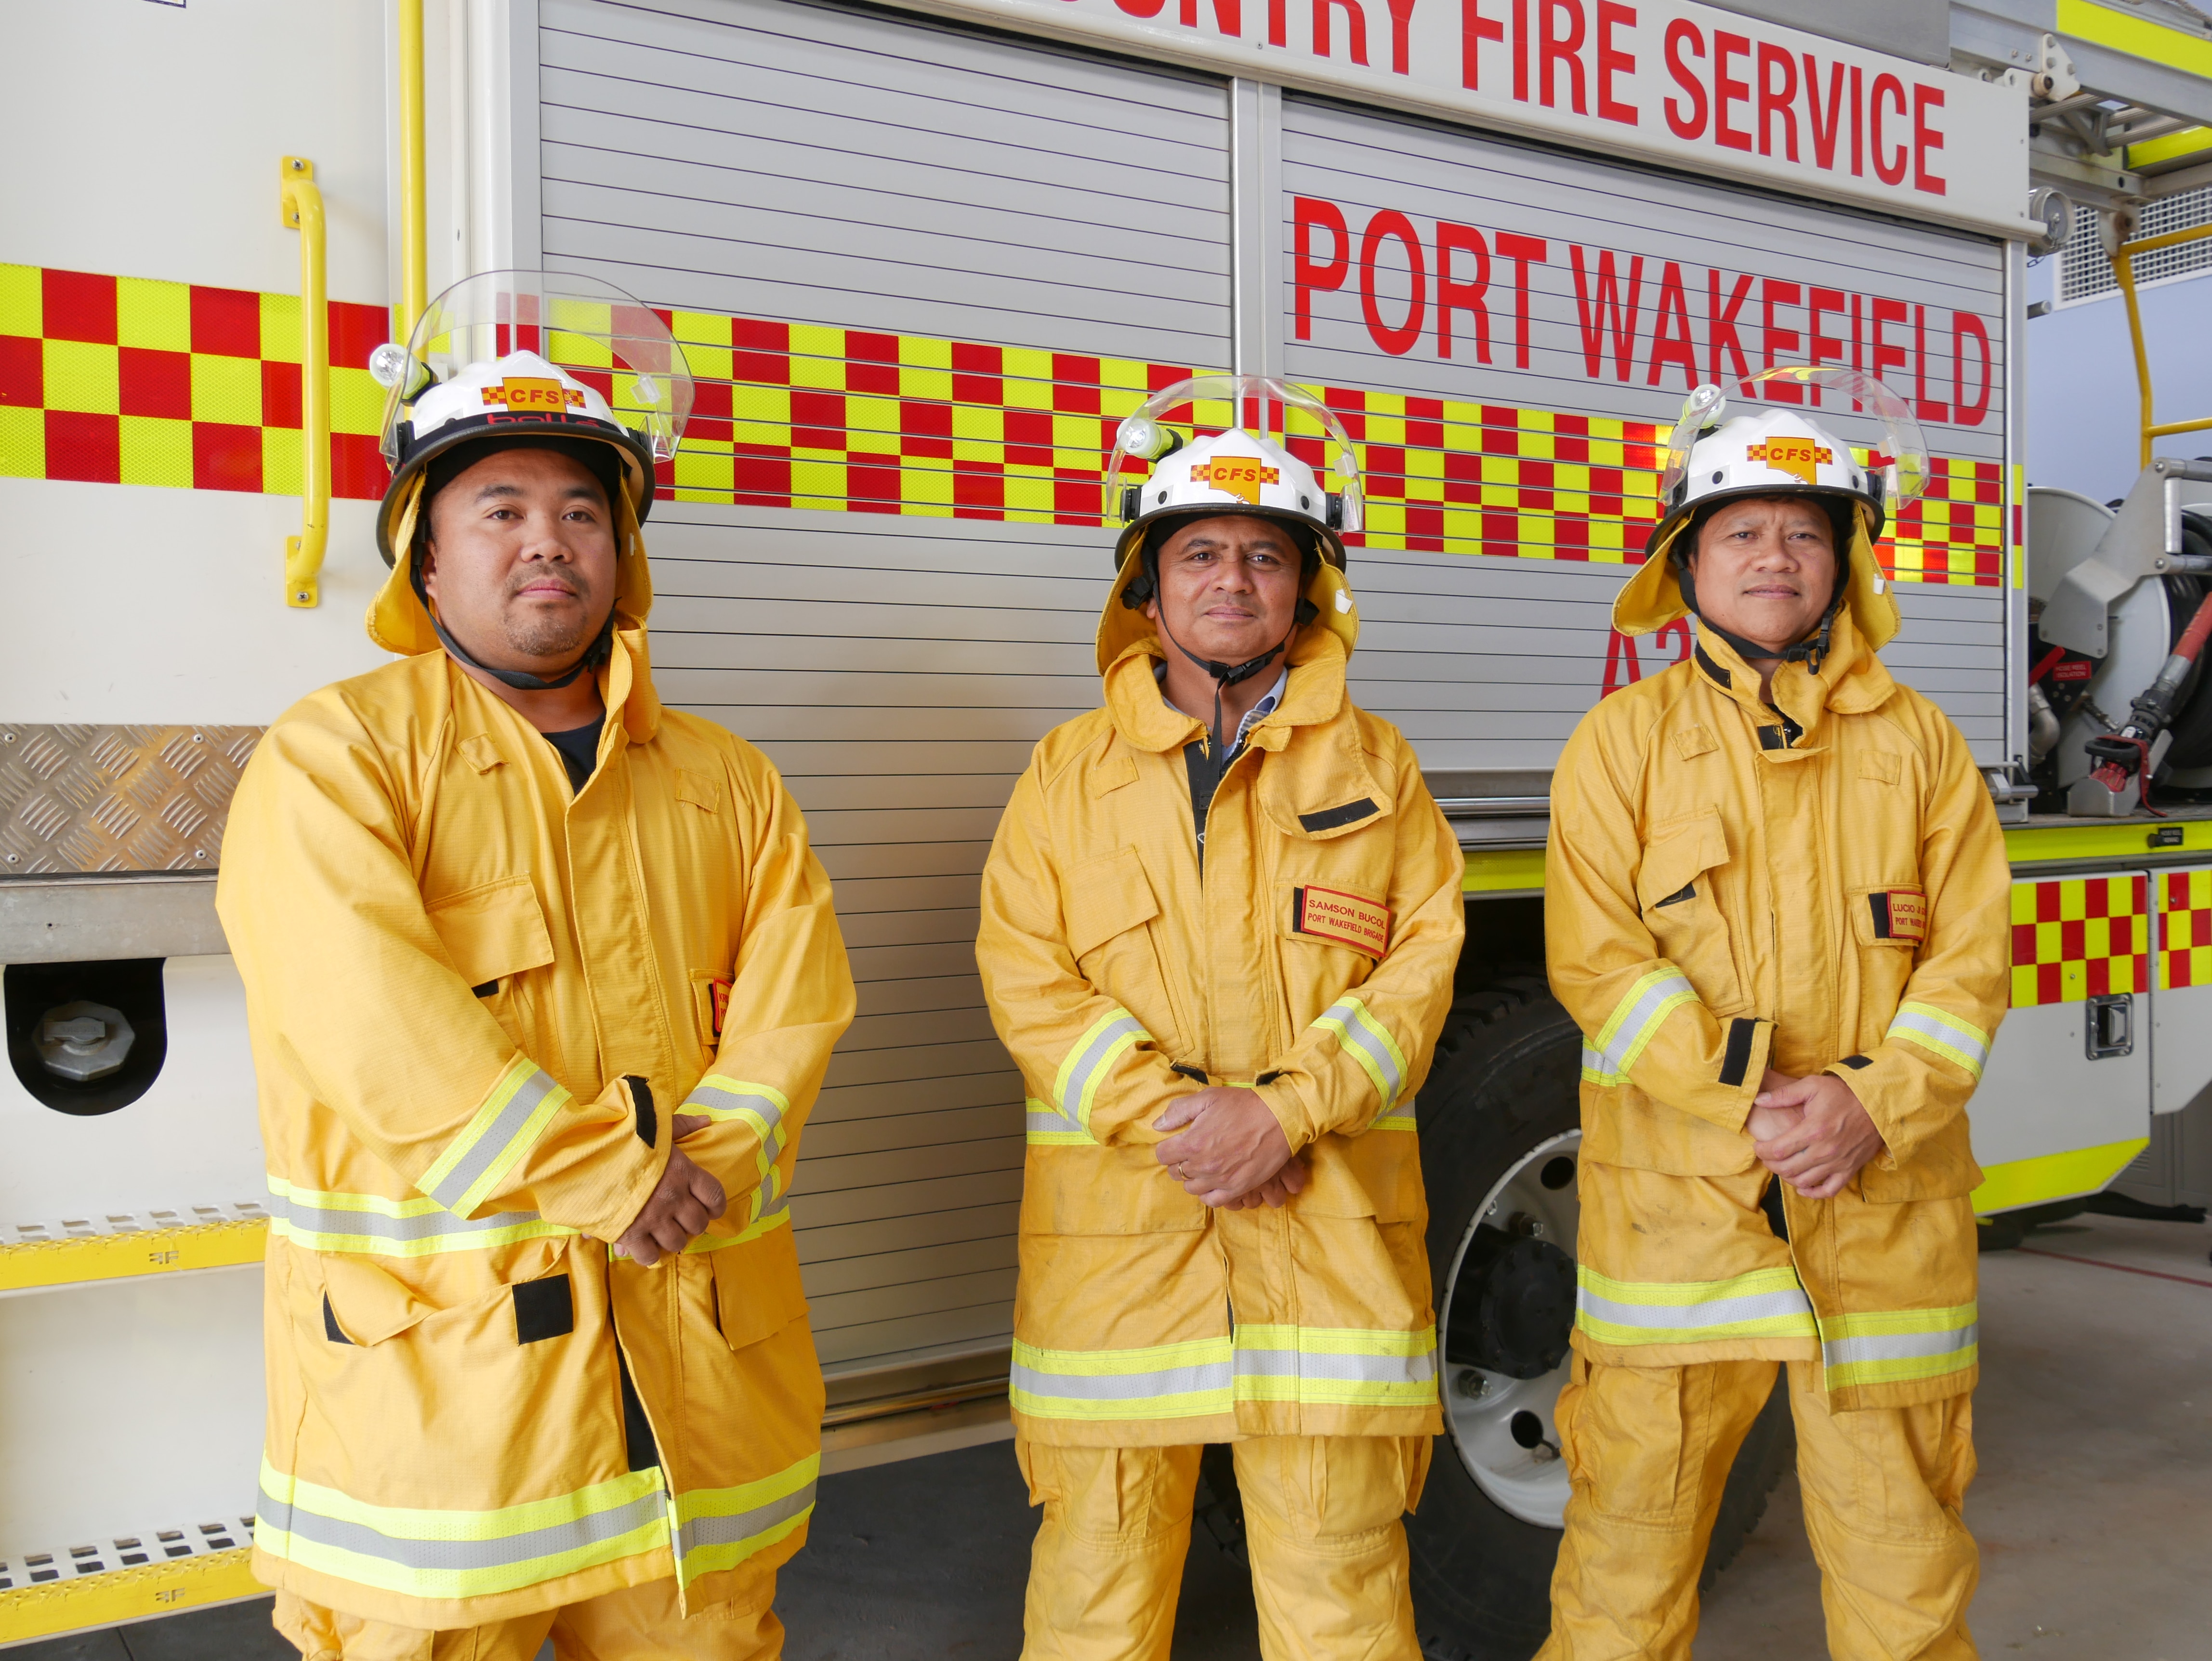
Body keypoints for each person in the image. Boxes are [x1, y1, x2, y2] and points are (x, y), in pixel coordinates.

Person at [218, 279, 855, 1661]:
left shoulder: (726, 785)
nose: (545, 543)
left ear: (622, 559)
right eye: (497, 510)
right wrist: (618, 1177)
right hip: (446, 1446)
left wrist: (711, 1168)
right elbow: (372, 1026)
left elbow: (795, 1010)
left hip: (691, 1410)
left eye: (580, 514)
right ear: (425, 562)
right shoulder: (336, 763)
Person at [974, 385, 1466, 1661]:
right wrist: (1180, 1122)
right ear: (1148, 587)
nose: (1233, 581)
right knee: (1094, 1603)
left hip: (1327, 1261)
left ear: (1306, 590)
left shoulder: (1378, 768)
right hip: (1117, 1271)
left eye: (1265, 555)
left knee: (1344, 1605)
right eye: (1199, 552)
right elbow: (1023, 971)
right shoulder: (1063, 774)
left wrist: (1285, 1112)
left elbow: (1421, 967)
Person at [1540, 376, 2009, 1660]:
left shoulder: (1924, 746)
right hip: (1679, 1233)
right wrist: (1757, 1095)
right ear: (1686, 559)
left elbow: (1970, 970)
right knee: (1620, 1585)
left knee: (1907, 1583)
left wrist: (1870, 1103)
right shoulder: (1618, 746)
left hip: (1884, 1229)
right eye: (1740, 530)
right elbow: (1598, 965)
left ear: (1846, 559)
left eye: (1804, 530)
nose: (1774, 557)